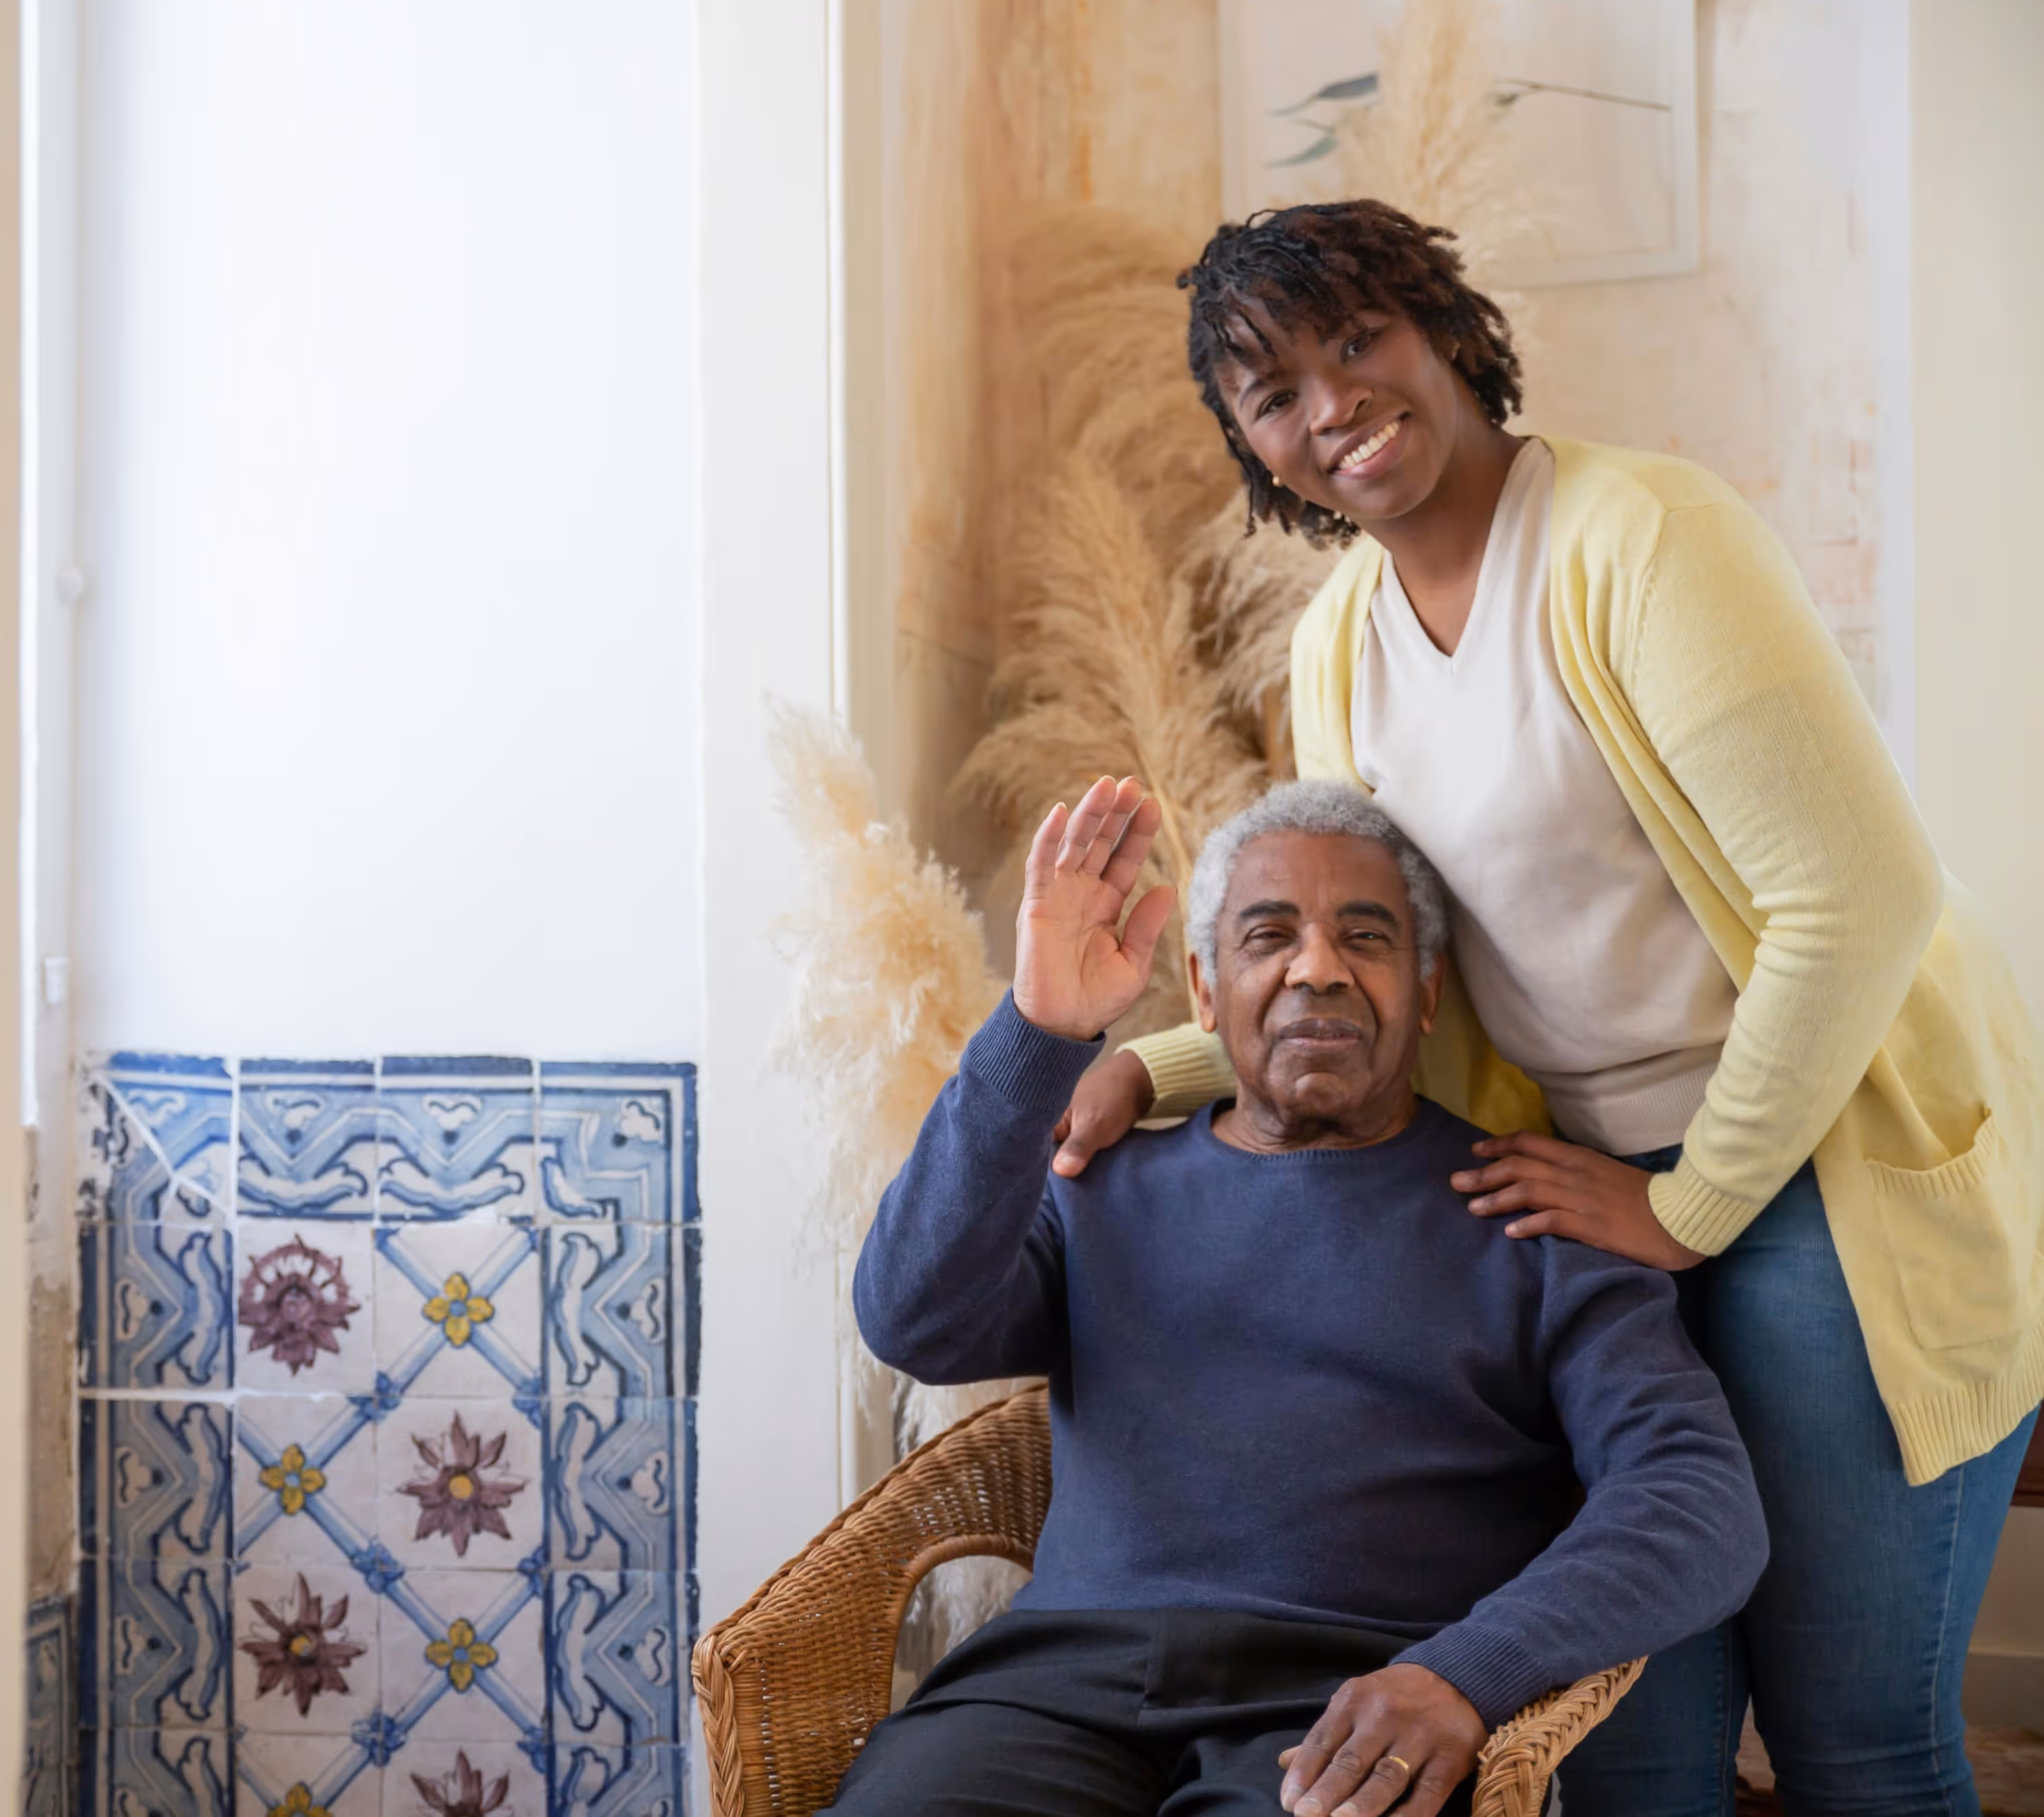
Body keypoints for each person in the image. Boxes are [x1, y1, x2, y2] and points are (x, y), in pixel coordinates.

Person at [1048, 199, 2044, 1814]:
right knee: (1619, 1745)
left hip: (1824, 1160)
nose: (1333, 404)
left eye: (1356, 340)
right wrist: (1160, 1069)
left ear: (1440, 324)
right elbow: (1385, 946)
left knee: (1848, 1738)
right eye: (1275, 392)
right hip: (1585, 1182)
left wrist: (1687, 1209)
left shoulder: (1642, 539)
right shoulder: (1339, 644)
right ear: (1252, 446)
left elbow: (1853, 903)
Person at [834, 775, 1765, 1817]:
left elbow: (1700, 1501)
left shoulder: (1537, 1218)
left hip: (1352, 1707)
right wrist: (1037, 1032)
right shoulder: (1097, 1184)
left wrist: (1468, 1671)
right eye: (1269, 935)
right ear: (1205, 990)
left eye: (1365, 938)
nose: (1317, 968)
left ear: (1428, 994)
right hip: (1050, 1698)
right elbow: (912, 1319)